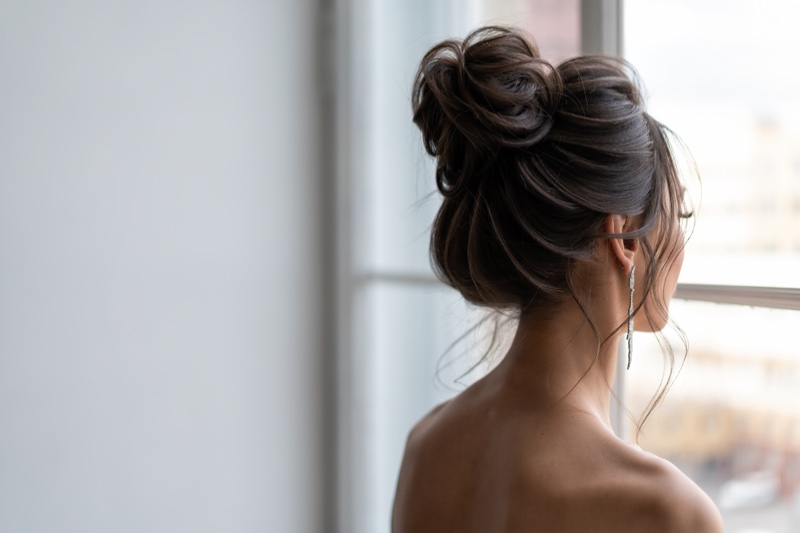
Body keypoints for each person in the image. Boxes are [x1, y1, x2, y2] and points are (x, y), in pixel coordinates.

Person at [391, 26, 724, 532]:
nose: (681, 245)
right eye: (680, 218)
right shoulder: (665, 511)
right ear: (625, 238)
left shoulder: (426, 445)